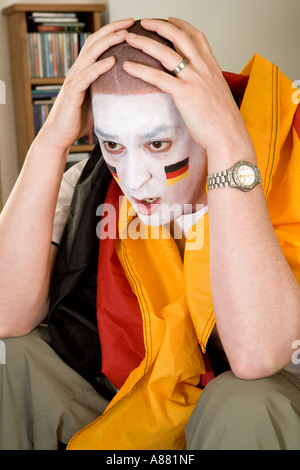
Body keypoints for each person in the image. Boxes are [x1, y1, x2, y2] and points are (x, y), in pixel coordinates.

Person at [0, 17, 299, 450]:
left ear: (207, 119)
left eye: (158, 144)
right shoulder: (95, 183)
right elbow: (6, 315)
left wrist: (229, 146)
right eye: (113, 144)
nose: (134, 180)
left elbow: (258, 357)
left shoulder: (282, 164)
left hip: (253, 413)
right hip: (129, 395)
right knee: (11, 357)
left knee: (246, 398)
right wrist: (51, 141)